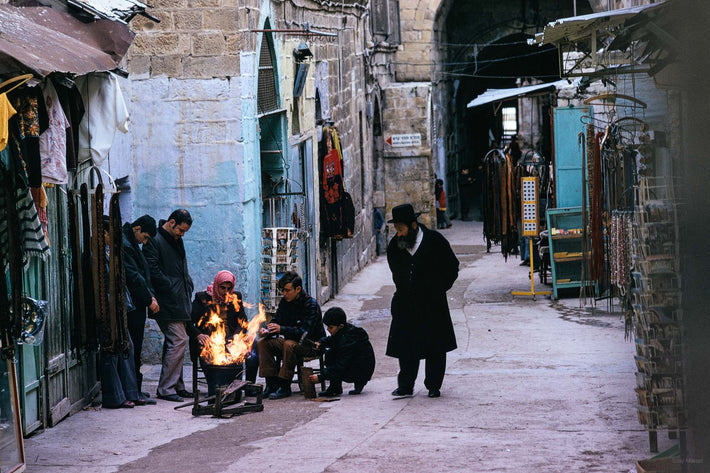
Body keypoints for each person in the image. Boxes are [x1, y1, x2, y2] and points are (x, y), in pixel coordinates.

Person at [386, 203, 459, 398]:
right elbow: (396, 271)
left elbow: (452, 267)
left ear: (413, 226)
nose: (399, 234)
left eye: (401, 229)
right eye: (396, 230)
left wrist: (439, 288)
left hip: (432, 303)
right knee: (406, 347)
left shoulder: (435, 241)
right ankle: (406, 385)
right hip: (406, 304)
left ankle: (433, 385)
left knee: (435, 346)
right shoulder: (396, 245)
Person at [142, 209, 194, 402]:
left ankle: (177, 385)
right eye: (181, 230)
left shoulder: (175, 239)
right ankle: (166, 388)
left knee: (174, 343)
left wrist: (187, 283)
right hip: (166, 301)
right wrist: (170, 286)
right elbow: (152, 270)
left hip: (179, 298)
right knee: (178, 340)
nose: (182, 234)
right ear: (171, 222)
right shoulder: (155, 240)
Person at [99, 216, 146, 409]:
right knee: (111, 352)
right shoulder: (97, 256)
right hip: (107, 310)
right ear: (104, 234)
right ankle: (116, 397)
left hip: (118, 309)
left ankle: (131, 393)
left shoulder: (110, 253)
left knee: (127, 348)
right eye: (112, 234)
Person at [257, 271, 325, 400]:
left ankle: (284, 385)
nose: (285, 294)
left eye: (288, 290)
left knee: (289, 344)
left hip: (310, 345)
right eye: (283, 291)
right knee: (263, 343)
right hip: (290, 341)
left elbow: (305, 332)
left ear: (298, 289)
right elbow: (277, 319)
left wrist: (282, 329)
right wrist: (268, 329)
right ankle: (271, 383)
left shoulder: (311, 304)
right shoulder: (285, 302)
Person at [188, 270, 258, 389]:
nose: (226, 292)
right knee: (207, 350)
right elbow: (188, 322)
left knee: (254, 346)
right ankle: (215, 386)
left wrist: (237, 335)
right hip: (210, 338)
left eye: (229, 289)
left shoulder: (235, 297)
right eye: (222, 288)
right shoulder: (202, 298)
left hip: (231, 337)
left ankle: (248, 385)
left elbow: (243, 321)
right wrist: (198, 335)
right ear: (216, 286)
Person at [122, 214, 159, 402]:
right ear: (137, 229)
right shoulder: (126, 245)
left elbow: (142, 274)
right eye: (144, 237)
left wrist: (149, 295)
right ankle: (133, 390)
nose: (145, 242)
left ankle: (136, 388)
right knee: (132, 346)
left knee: (136, 346)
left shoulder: (131, 244)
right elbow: (134, 276)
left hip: (137, 303)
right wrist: (148, 299)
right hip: (132, 305)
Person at [308, 307, 375, 397]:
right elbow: (331, 340)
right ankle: (335, 388)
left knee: (333, 356)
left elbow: (341, 365)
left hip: (361, 368)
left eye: (330, 327)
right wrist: (320, 343)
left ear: (341, 326)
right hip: (352, 363)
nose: (328, 330)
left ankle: (359, 382)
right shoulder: (342, 331)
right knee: (330, 354)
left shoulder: (350, 338)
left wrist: (321, 377)